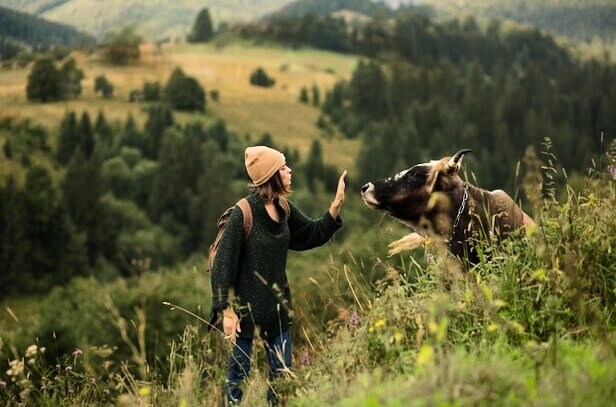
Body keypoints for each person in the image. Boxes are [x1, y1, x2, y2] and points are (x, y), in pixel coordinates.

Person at [210, 145, 346, 406]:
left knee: (282, 380)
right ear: (272, 175)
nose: (289, 170)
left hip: (277, 312)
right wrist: (225, 310)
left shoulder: (284, 208)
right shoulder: (243, 213)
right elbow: (222, 266)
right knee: (236, 382)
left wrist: (336, 205)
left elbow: (312, 234)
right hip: (243, 314)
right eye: (284, 168)